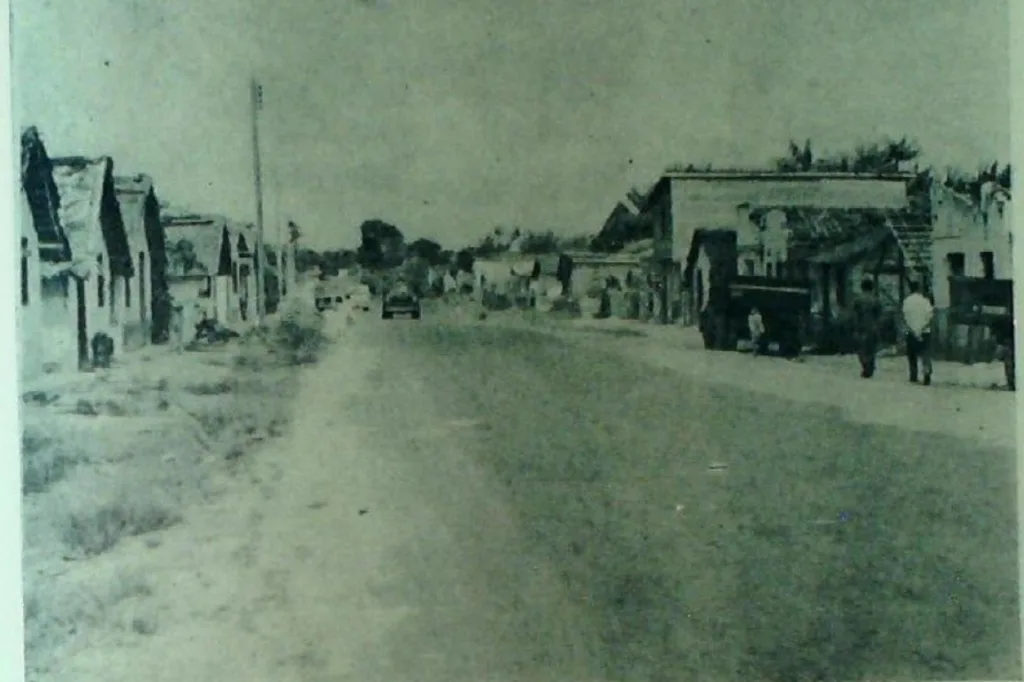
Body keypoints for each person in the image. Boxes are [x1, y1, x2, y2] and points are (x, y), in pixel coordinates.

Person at [901, 280, 934, 385]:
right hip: (924, 332)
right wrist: (921, 329)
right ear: (919, 288)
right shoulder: (925, 301)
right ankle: (926, 373)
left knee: (912, 355)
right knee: (925, 354)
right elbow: (930, 317)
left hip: (910, 332)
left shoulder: (907, 301)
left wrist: (913, 330)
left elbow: (905, 318)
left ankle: (913, 375)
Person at [850, 278, 884, 378]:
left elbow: (855, 316)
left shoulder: (858, 300)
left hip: (861, 328)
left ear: (862, 287)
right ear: (872, 287)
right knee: (871, 349)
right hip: (873, 328)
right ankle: (870, 367)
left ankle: (865, 367)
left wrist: (855, 328)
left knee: (861, 349)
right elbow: (880, 315)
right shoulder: (876, 300)